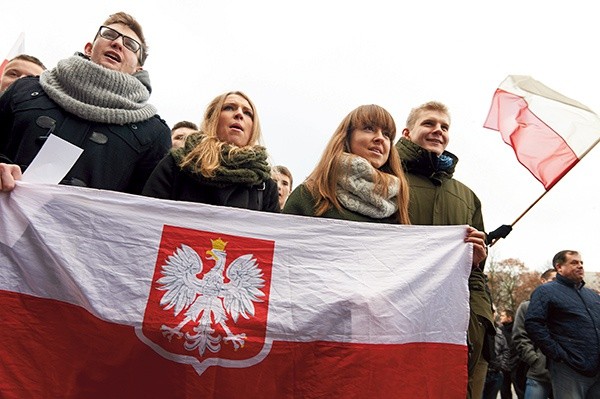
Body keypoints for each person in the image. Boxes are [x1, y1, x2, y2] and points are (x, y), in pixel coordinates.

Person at [0, 12, 171, 194]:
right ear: (89, 48)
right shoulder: (25, 90)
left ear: (138, 68)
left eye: (130, 45)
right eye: (109, 34)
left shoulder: (153, 134)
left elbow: (144, 210)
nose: (118, 43)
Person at [395, 101, 492, 398]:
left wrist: (480, 318)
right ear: (408, 132)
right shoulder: (387, 180)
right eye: (429, 123)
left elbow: (477, 273)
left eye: (444, 127)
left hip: (460, 328)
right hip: (399, 320)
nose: (438, 130)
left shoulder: (467, 197)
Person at [142, 91, 279, 212]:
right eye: (229, 107)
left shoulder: (265, 186)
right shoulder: (178, 164)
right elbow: (148, 218)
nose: (239, 114)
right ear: (211, 118)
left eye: (248, 113)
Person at [283, 104, 410, 224]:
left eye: (386, 134)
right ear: (347, 137)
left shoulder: (398, 204)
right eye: (369, 128)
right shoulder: (308, 196)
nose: (380, 138)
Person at [525, 250, 600, 399]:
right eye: (574, 262)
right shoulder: (545, 291)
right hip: (569, 368)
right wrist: (558, 355)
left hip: (597, 369)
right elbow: (534, 324)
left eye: (581, 263)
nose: (580, 266)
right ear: (559, 267)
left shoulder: (592, 296)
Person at [513, 268, 557, 399]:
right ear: (543, 281)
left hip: (563, 375)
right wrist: (535, 360)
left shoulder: (565, 308)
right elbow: (520, 336)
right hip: (538, 373)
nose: (556, 284)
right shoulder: (527, 307)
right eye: (553, 280)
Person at [482, 313, 511, 399]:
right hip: (482, 372)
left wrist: (502, 365)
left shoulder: (498, 331)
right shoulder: (480, 329)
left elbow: (505, 350)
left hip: (496, 372)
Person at [499, 308, 517, 399]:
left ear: (509, 318)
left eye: (502, 315)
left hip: (516, 365)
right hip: (504, 366)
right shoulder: (499, 331)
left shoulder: (517, 330)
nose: (500, 317)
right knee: (504, 391)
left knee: (520, 389)